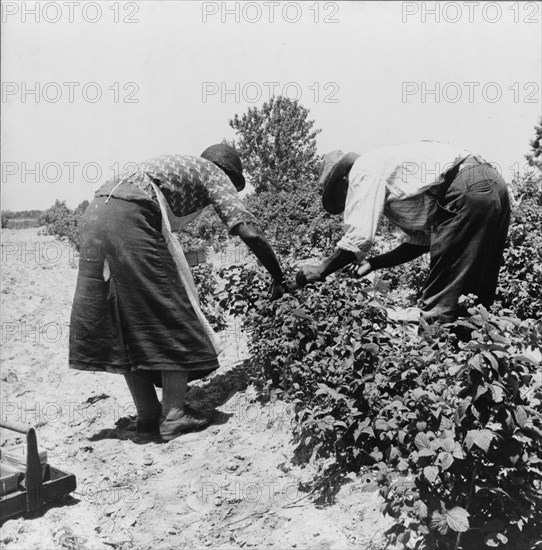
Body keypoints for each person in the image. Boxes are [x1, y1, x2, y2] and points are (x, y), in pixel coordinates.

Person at [69, 144, 287, 441]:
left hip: (96, 214)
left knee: (126, 319)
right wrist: (278, 276)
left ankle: (148, 415)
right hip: (129, 214)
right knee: (174, 312)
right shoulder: (213, 172)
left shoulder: (175, 168)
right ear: (228, 173)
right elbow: (247, 229)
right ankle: (173, 415)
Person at [296, 141, 511, 324]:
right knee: (475, 300)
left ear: (344, 180)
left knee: (440, 305)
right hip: (491, 183)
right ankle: (474, 363)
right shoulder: (391, 181)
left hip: (467, 186)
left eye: (339, 195)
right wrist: (374, 263)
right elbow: (421, 241)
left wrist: (320, 269)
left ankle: (436, 367)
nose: (347, 202)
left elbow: (359, 238)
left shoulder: (362, 170)